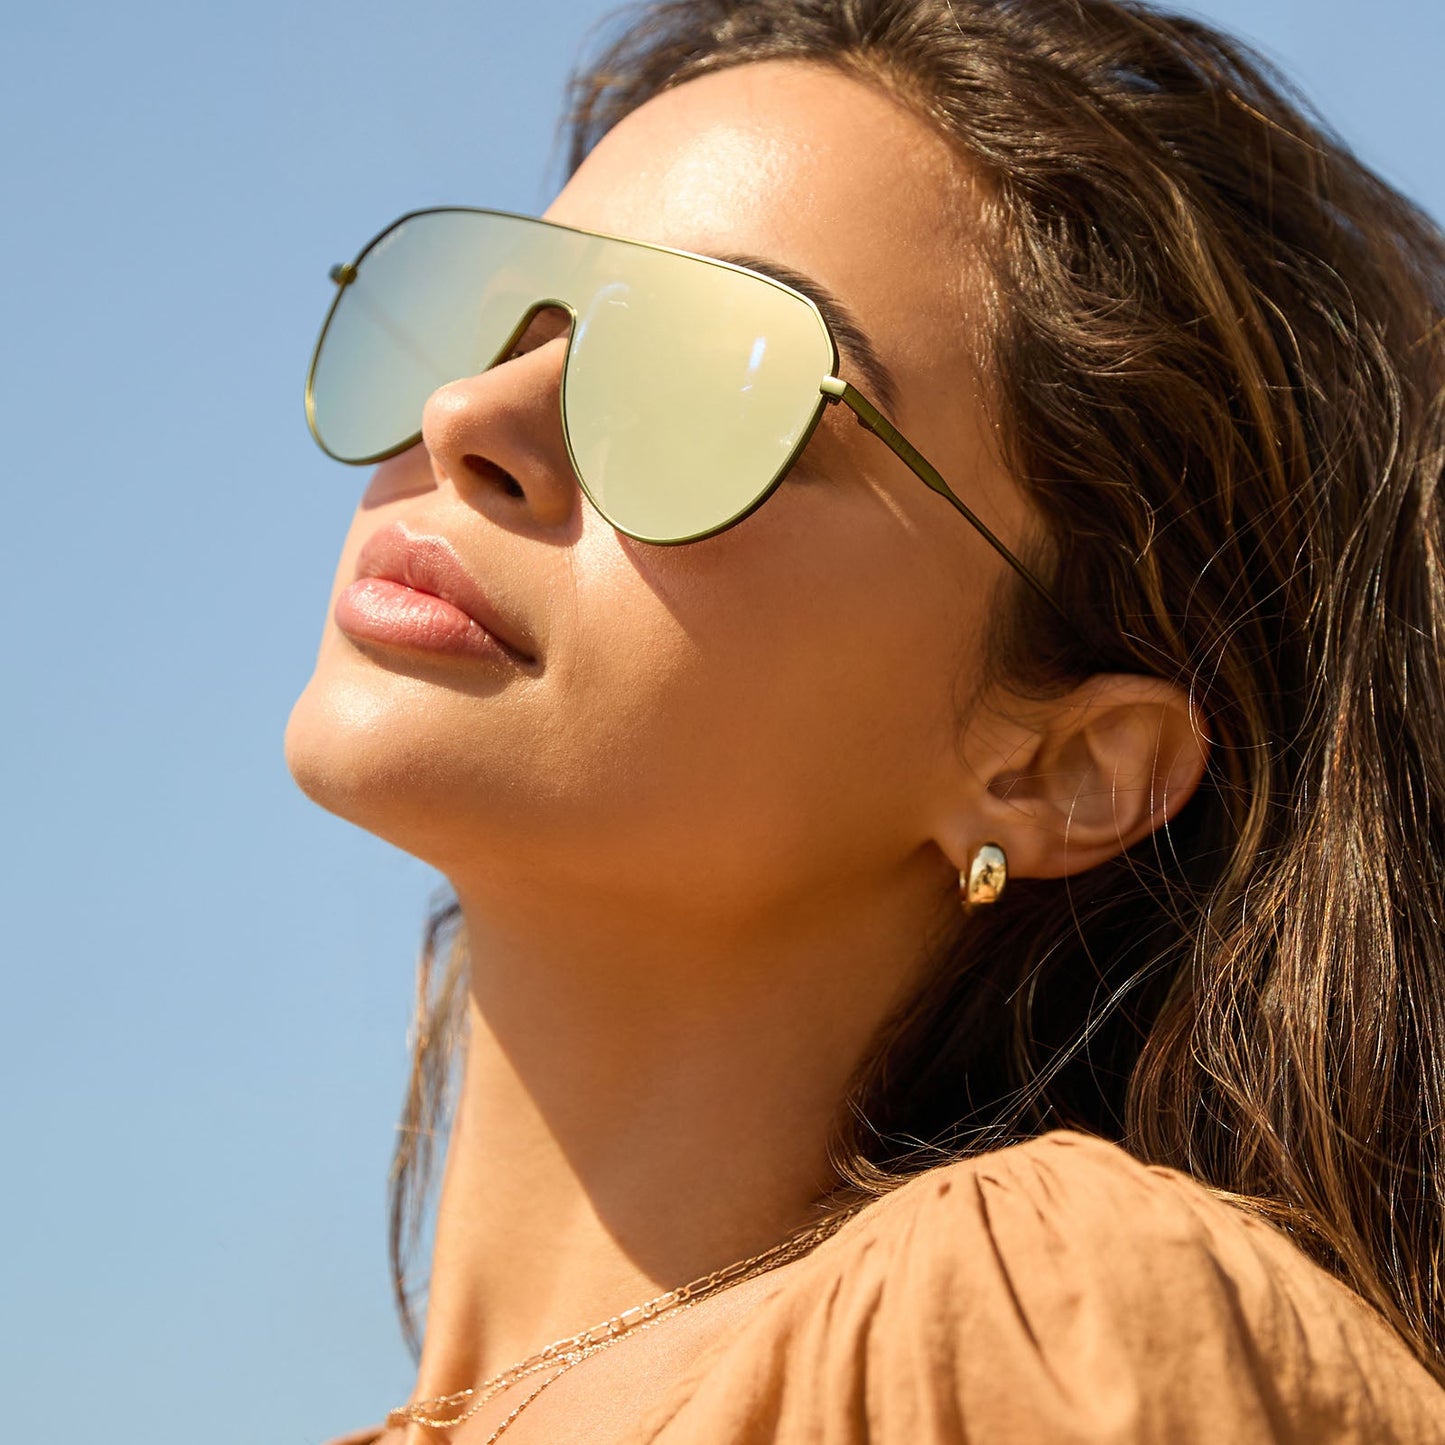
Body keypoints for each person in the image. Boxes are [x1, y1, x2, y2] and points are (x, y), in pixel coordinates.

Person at [289, 0, 1445, 1439]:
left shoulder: (1022, 1322)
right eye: (499, 311)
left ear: (1062, 767)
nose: (468, 411)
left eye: (707, 380)